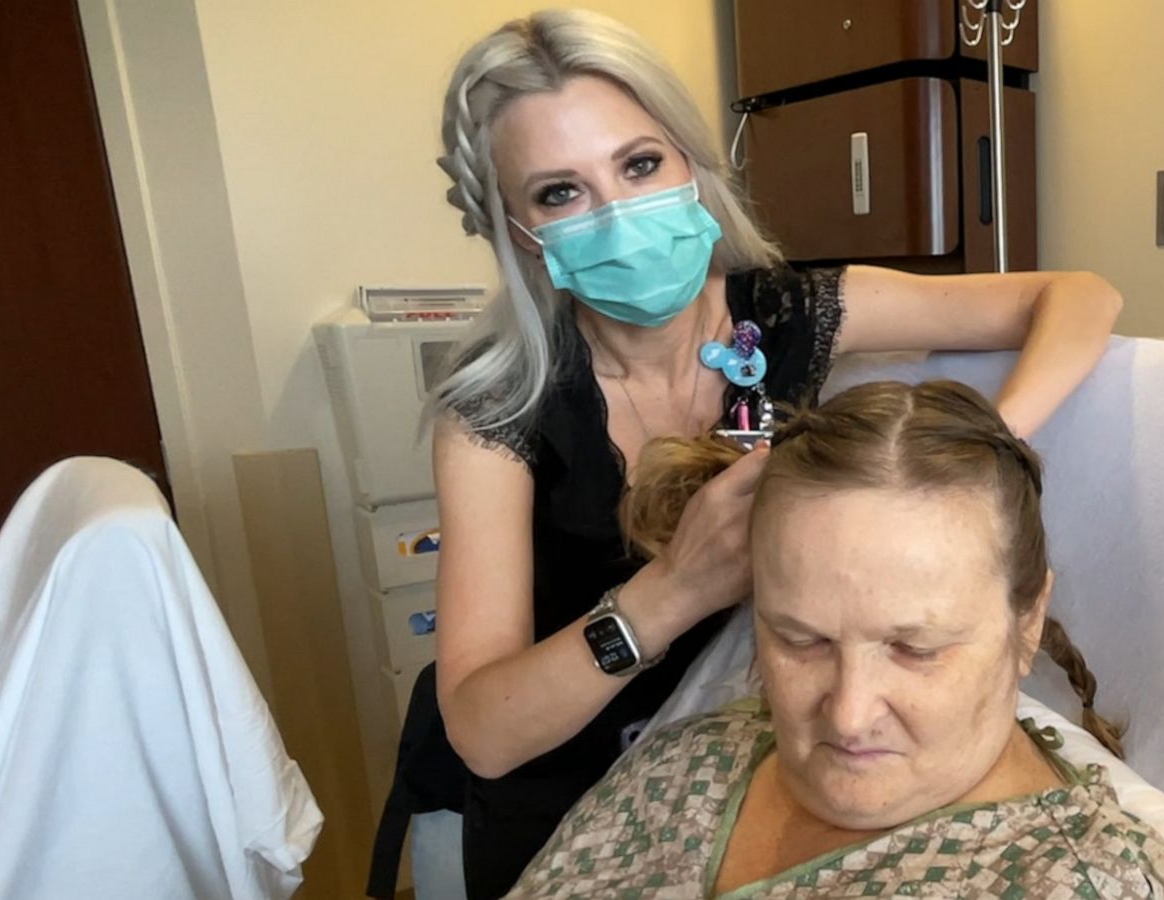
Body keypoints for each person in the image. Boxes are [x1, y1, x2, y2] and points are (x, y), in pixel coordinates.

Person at [426, 10, 1124, 896]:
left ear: (691, 164)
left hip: (757, 771)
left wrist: (987, 444)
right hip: (569, 804)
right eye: (560, 193)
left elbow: (1080, 296)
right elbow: (483, 732)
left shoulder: (792, 316)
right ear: (519, 230)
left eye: (640, 165)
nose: (620, 214)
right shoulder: (497, 411)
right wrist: (672, 591)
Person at [504, 380, 1164, 898]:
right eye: (800, 640)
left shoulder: (1088, 883)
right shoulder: (690, 762)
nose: (847, 713)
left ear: (1026, 626)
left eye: (915, 649)